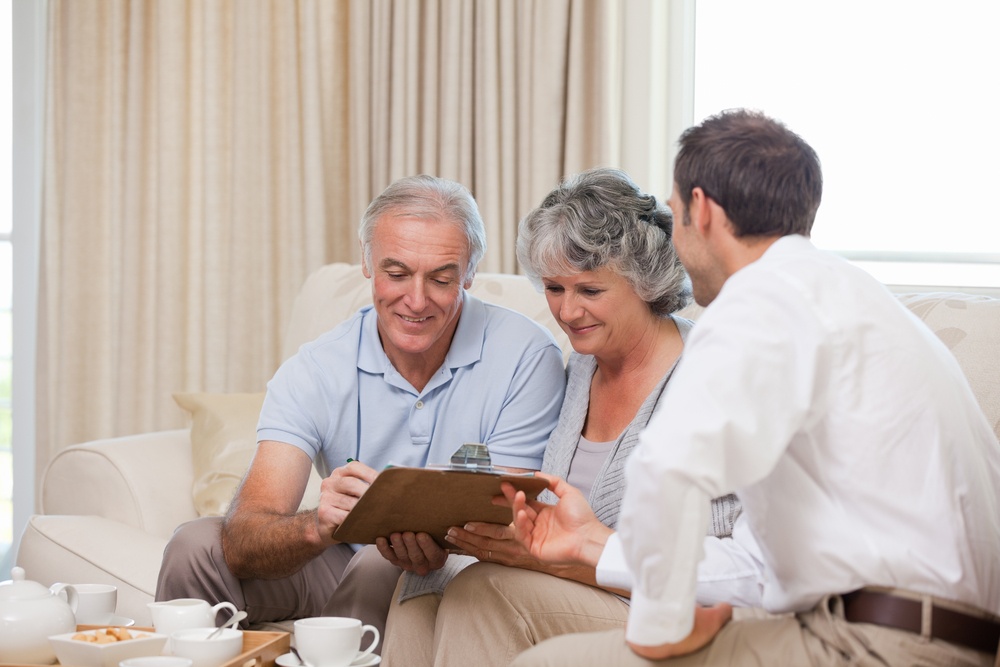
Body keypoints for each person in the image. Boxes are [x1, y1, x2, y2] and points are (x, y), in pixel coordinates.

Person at [506, 110, 1000, 667]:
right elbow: (758, 564)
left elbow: (667, 470)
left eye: (674, 213)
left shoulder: (758, 300)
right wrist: (591, 545)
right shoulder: (849, 295)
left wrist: (661, 625)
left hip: (873, 645)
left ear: (704, 210)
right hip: (945, 637)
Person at [154, 175, 567, 648]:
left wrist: (420, 533)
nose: (416, 300)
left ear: (470, 273)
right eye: (396, 273)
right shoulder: (315, 368)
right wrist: (316, 527)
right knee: (195, 546)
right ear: (367, 263)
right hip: (335, 561)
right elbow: (247, 534)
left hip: (464, 569)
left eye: (441, 278)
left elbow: (511, 518)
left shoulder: (527, 355)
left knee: (381, 562)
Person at [379, 167, 765, 667]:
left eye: (589, 291)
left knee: (485, 592)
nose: (567, 311)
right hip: (583, 595)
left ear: (644, 282)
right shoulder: (580, 367)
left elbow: (737, 574)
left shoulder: (715, 379)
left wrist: (558, 559)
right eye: (554, 288)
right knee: (421, 585)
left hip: (678, 617)